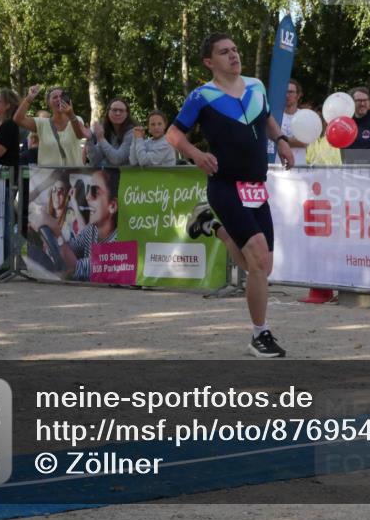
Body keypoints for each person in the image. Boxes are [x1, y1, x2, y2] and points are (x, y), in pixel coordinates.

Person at [165, 32, 294, 358]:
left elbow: (266, 119)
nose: (234, 56)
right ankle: (259, 335)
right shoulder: (202, 96)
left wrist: (280, 140)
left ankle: (212, 226)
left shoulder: (256, 86)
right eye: (225, 52)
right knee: (257, 255)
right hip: (224, 185)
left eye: (235, 50)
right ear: (210, 62)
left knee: (260, 266)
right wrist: (195, 154)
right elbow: (173, 133)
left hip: (255, 186)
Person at [58, 168, 120, 282]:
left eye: (95, 191)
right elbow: (73, 248)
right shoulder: (92, 230)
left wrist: (55, 232)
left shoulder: (118, 240)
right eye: (88, 190)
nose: (87, 197)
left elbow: (76, 268)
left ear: (112, 206)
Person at [14, 85, 87, 167]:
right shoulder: (42, 123)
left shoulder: (76, 119)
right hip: (49, 178)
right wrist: (29, 98)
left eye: (61, 96)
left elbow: (80, 135)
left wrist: (71, 115)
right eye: (55, 97)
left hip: (73, 176)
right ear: (48, 103)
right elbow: (18, 119)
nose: (59, 99)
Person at [87, 97, 134, 167]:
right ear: (108, 112)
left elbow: (117, 160)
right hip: (109, 176)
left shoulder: (132, 132)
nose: (118, 113)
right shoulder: (104, 130)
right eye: (114, 110)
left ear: (127, 114)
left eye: (121, 110)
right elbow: (94, 161)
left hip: (128, 176)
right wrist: (89, 139)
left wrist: (101, 139)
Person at [279, 79, 308, 165]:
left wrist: (279, 139)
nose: (287, 95)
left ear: (298, 95)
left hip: (298, 168)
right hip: (276, 168)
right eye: (285, 92)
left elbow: (303, 143)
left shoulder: (304, 116)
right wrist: (292, 140)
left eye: (291, 92)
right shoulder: (273, 116)